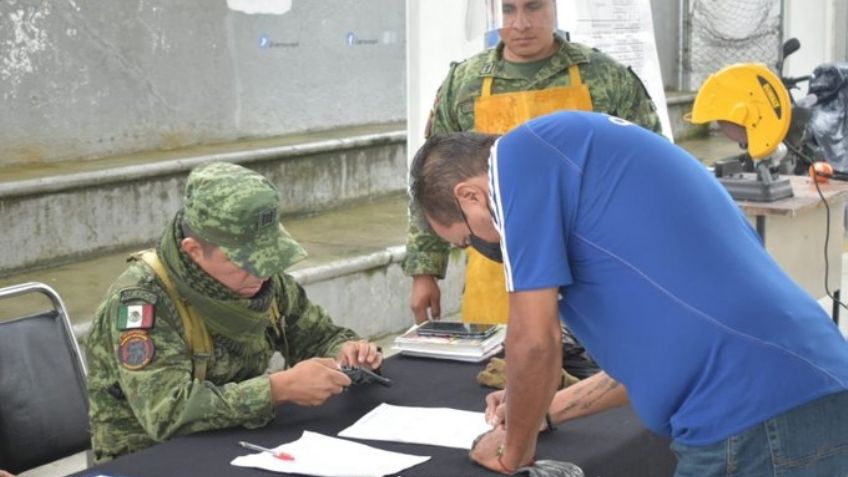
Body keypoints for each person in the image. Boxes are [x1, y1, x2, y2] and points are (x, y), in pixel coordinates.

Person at [409, 111, 848, 476]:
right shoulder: (573, 157)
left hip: (752, 417)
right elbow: (655, 354)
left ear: (470, 196)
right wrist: (543, 409)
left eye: (467, 241)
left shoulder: (518, 160)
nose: (483, 249)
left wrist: (513, 452)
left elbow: (535, 343)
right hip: (804, 387)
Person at [86, 162, 383, 462]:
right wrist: (277, 389)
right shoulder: (143, 301)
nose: (261, 274)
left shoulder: (265, 281)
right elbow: (166, 414)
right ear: (194, 251)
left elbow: (317, 337)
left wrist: (346, 352)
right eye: (245, 262)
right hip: (149, 459)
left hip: (240, 442)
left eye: (267, 257)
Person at [404, 0, 662, 329]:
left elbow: (651, 172)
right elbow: (432, 183)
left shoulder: (606, 77)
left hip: (595, 267)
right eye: (508, 10)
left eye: (534, 7)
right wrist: (424, 270)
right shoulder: (462, 83)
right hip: (496, 274)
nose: (521, 23)